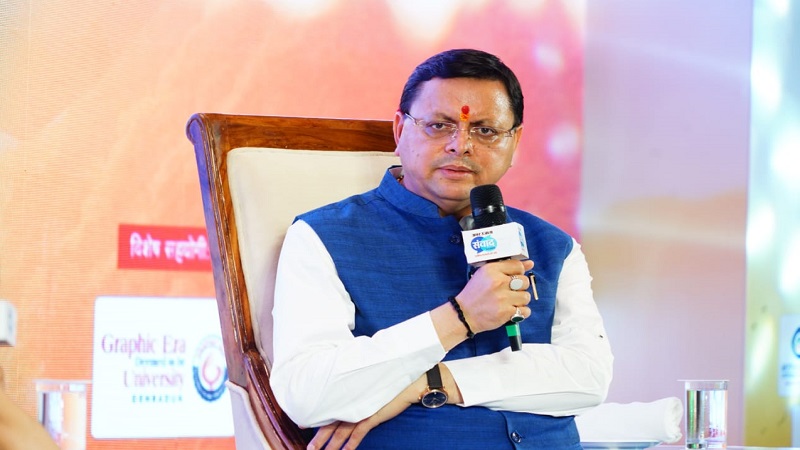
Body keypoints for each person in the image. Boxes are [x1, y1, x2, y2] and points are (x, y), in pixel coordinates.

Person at [270, 48, 613, 450]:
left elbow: (588, 376)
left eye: (485, 131)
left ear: (515, 142)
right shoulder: (323, 237)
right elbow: (309, 395)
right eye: (438, 125)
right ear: (400, 130)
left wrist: (427, 383)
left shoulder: (553, 246)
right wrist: (460, 317)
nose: (460, 145)